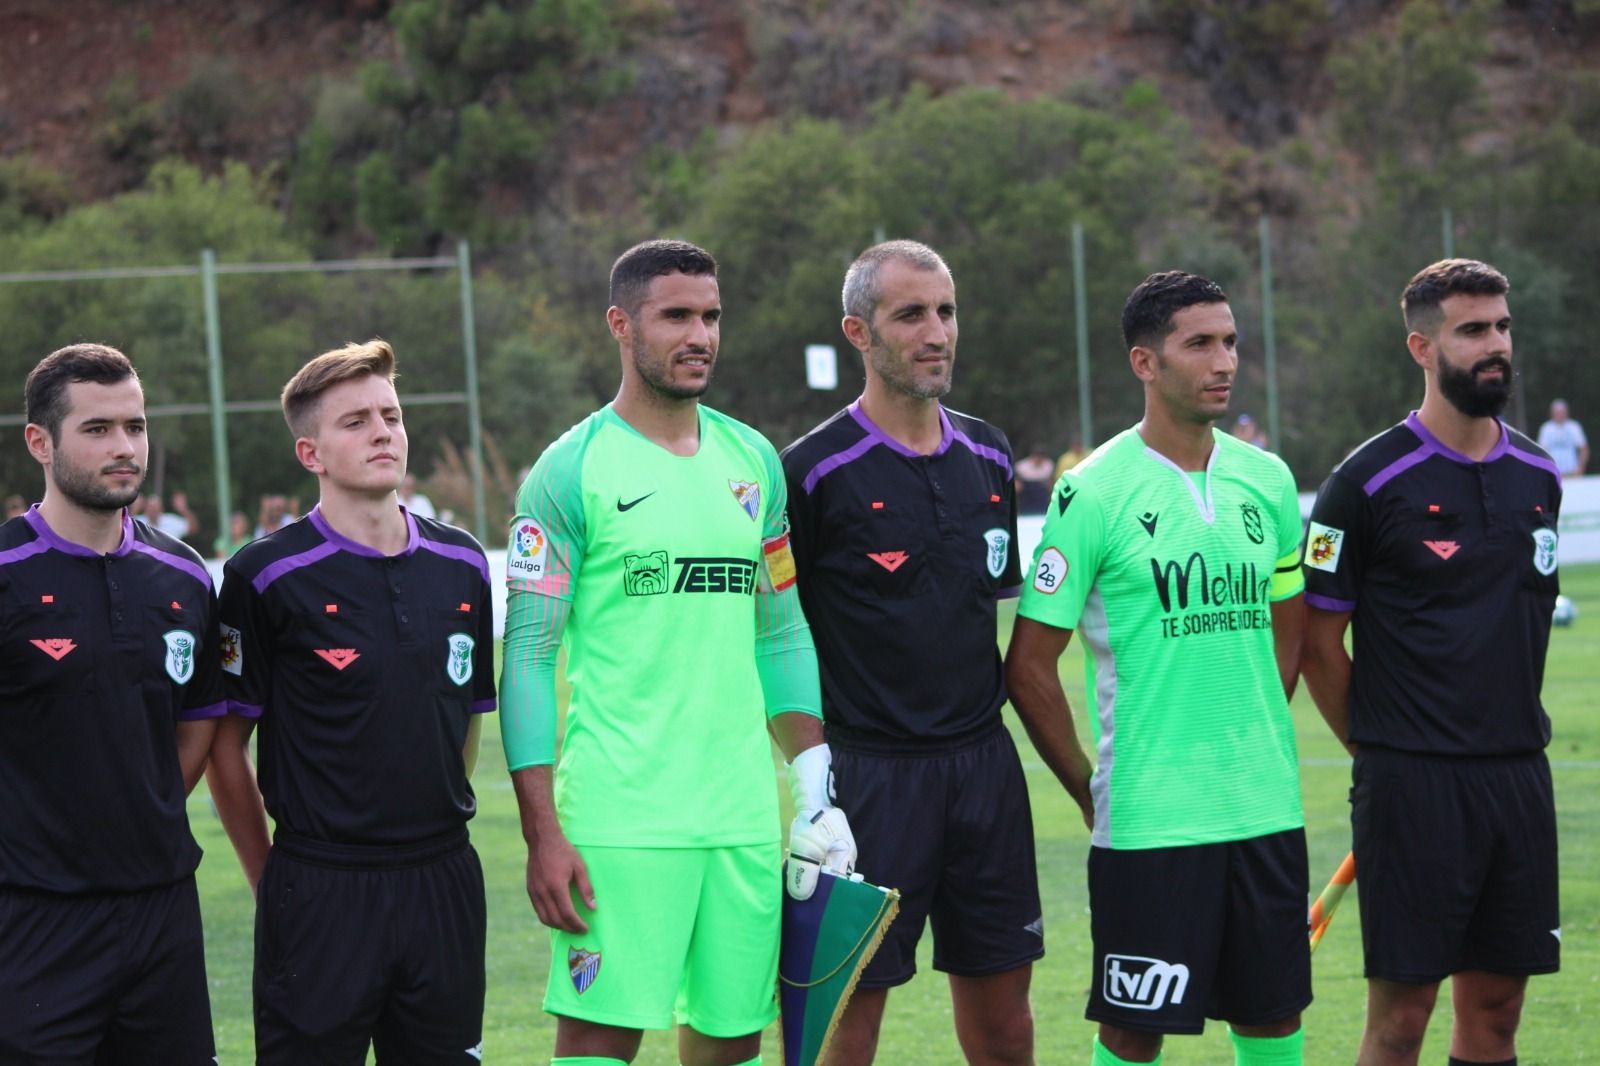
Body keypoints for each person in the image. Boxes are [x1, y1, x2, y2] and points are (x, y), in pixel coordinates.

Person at [499, 239, 854, 1066]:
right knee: (597, 1040)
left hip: (739, 816)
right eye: (677, 317)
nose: (700, 335)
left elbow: (782, 630)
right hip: (621, 819)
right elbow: (526, 657)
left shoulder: (753, 462)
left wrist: (814, 790)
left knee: (732, 1040)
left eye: (711, 316)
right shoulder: (567, 471)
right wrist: (542, 832)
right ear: (622, 325)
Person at [1005, 272, 1310, 1066]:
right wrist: (1088, 787)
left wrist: (1249, 727)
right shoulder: (1093, 490)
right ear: (1145, 362)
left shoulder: (1268, 480)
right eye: (1200, 343)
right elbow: (1031, 666)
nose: (1225, 361)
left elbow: (1290, 627)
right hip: (1151, 818)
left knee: (1273, 1020)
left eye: (1231, 341)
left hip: (1264, 804)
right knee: (1136, 1032)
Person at [781, 240, 1040, 1065]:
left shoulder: (992, 454)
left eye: (947, 311)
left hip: (984, 772)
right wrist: (816, 790)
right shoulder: (812, 473)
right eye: (911, 315)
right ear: (859, 332)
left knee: (1006, 1027)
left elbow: (998, 613)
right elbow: (776, 639)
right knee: (845, 1027)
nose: (937, 332)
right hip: (869, 779)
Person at [1299, 259, 1562, 1066]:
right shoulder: (1363, 483)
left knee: (1498, 1009)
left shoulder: (1539, 476)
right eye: (1473, 330)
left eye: (1503, 327)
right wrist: (1382, 752)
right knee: (1402, 1018)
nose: (1496, 346)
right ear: (1422, 346)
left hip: (1518, 777)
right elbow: (1316, 643)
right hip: (1412, 784)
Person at [206, 340, 497, 1064]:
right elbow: (223, 746)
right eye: (356, 421)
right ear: (311, 453)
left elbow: (465, 719)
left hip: (444, 876)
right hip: (319, 884)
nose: (382, 433)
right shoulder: (264, 575)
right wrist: (268, 874)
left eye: (391, 416)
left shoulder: (463, 562)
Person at [0, 343, 223, 1062]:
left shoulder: (183, 576)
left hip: (163, 913)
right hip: (33, 919)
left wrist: (142, 806)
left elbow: (197, 727)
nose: (125, 447)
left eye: (135, 426)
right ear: (41, 441)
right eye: (97, 429)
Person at [1536, 398, 1587, 478]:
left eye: (1562, 412)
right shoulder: (1546, 428)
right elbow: (1540, 451)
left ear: (1566, 412)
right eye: (1557, 412)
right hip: (1554, 473)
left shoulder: (1574, 427)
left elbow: (1584, 449)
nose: (1560, 415)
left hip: (1572, 473)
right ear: (1552, 413)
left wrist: (1580, 468)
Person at [1016, 443, 1057, 516]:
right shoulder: (1022, 466)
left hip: (1041, 492)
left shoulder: (1048, 465)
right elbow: (1017, 481)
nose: (1038, 459)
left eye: (1040, 456)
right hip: (1026, 493)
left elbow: (1051, 481)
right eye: (1036, 456)